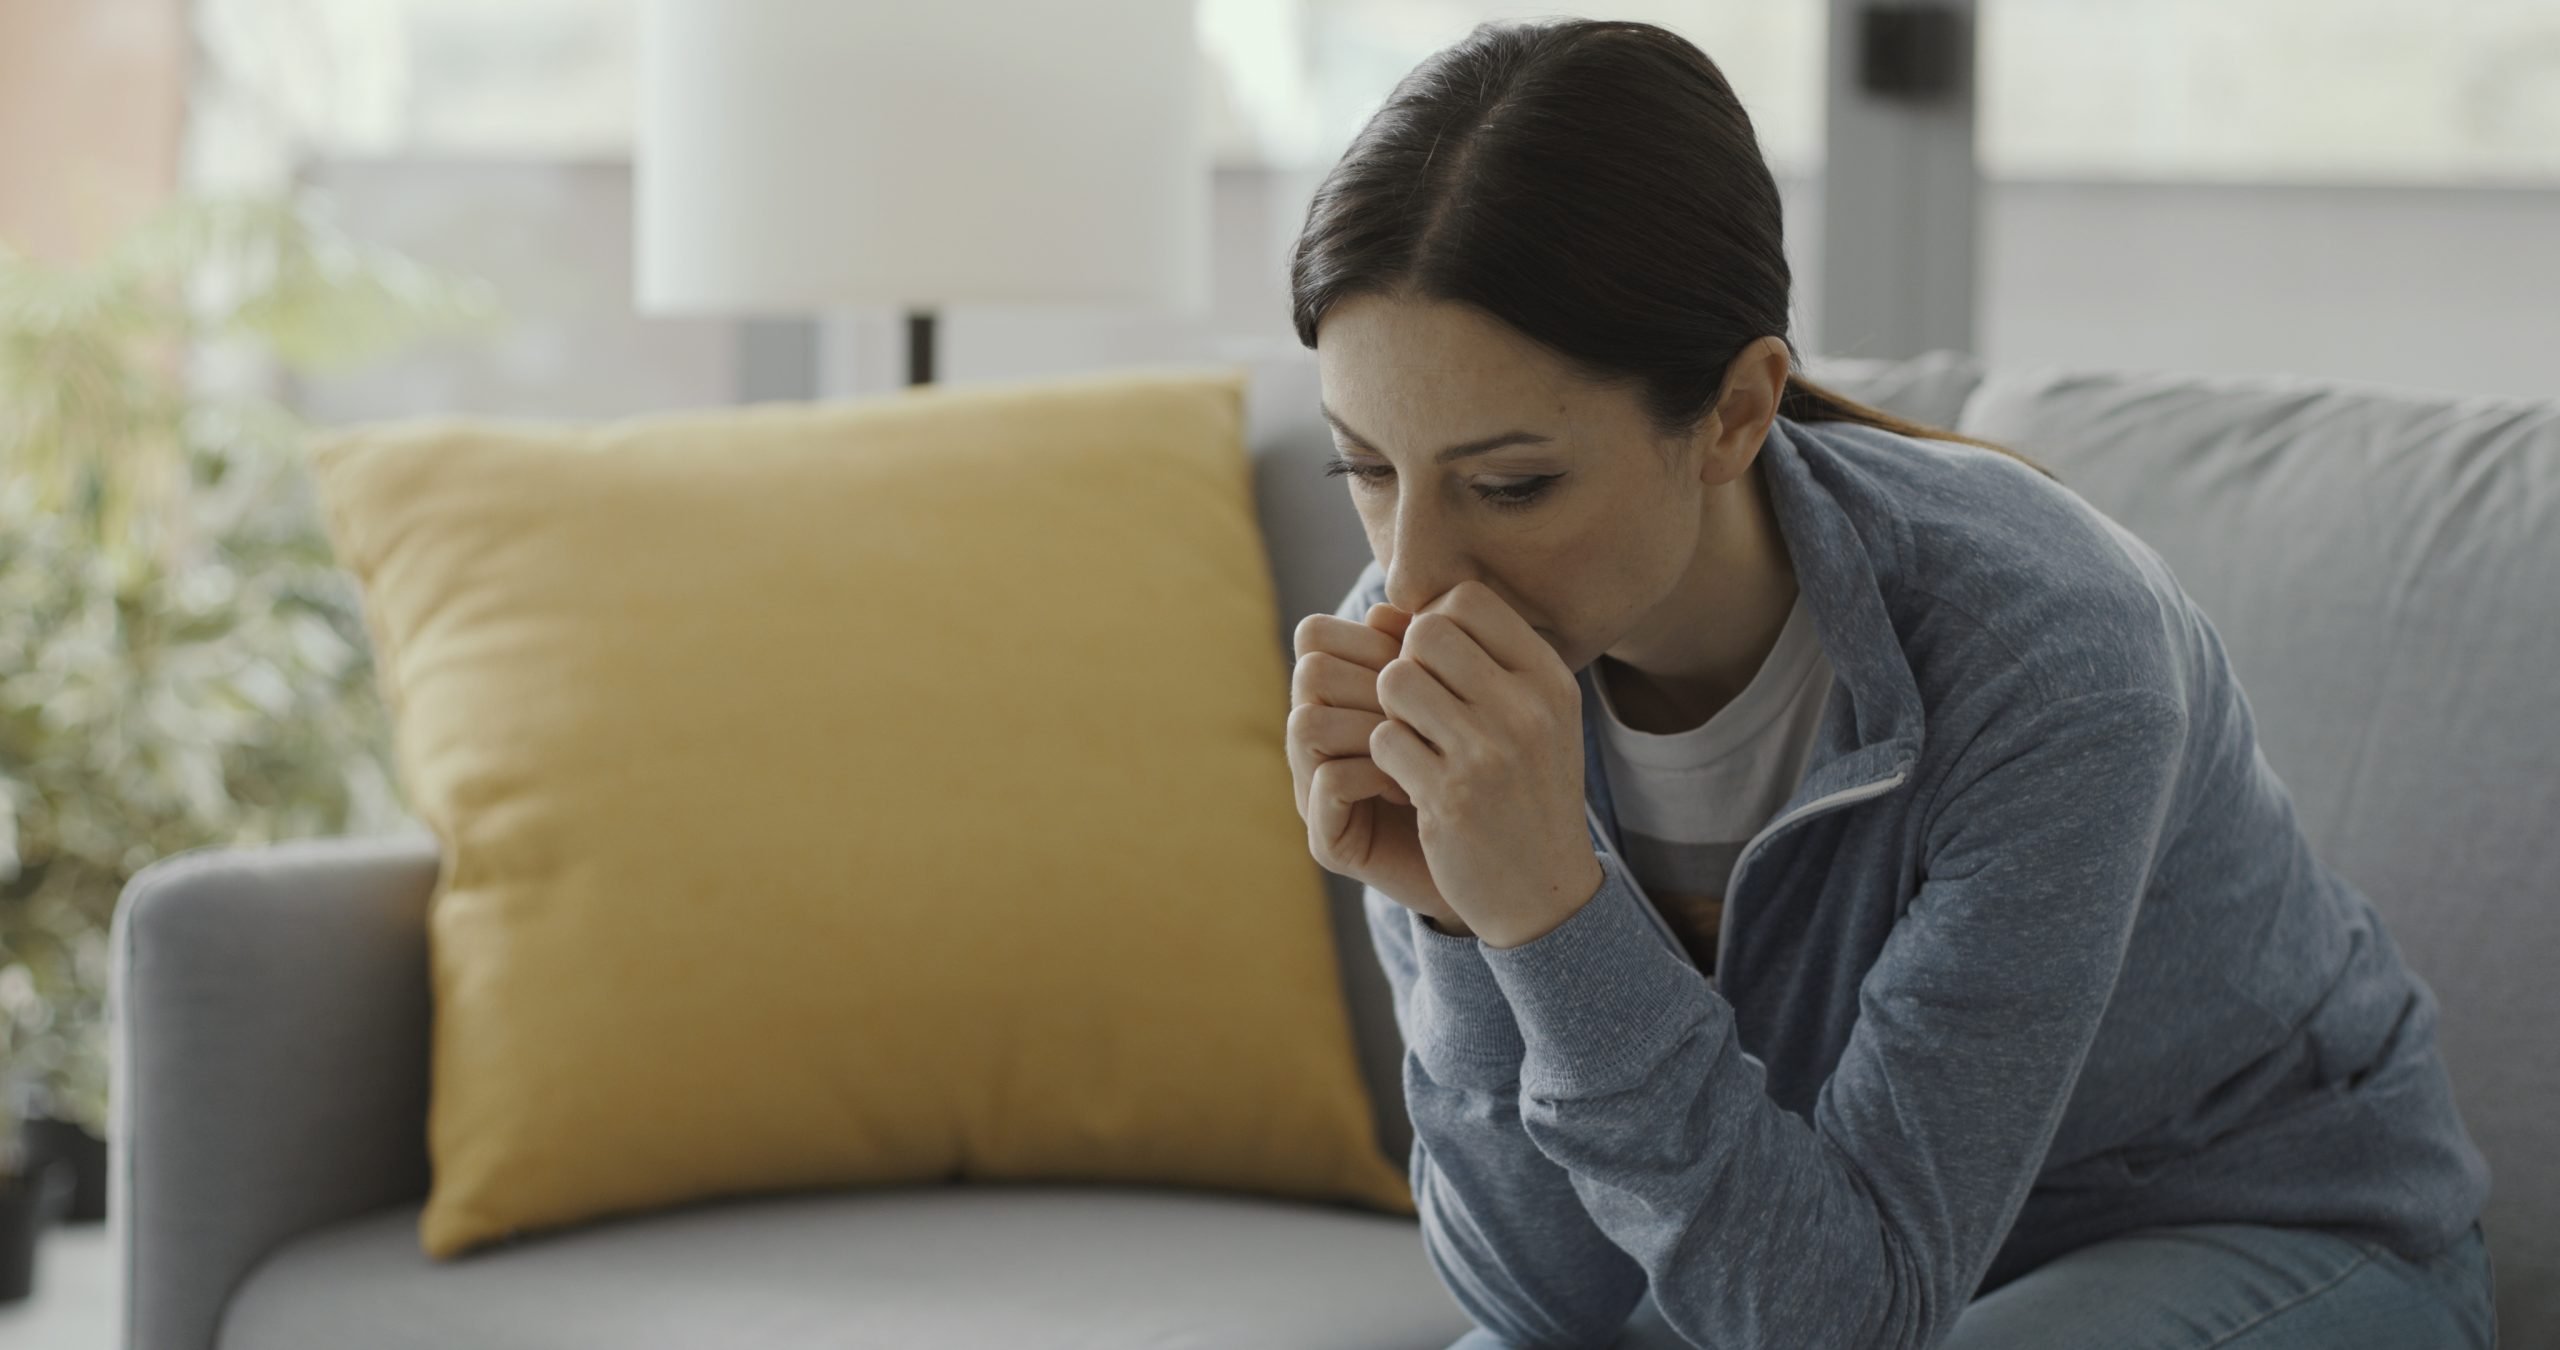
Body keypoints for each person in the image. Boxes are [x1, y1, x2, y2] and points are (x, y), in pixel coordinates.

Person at [1280, 17, 2495, 1350]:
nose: (1411, 582)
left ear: (1738, 411)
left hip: (2254, 1235)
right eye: (1368, 471)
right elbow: (1546, 1309)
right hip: (1804, 1264)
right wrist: (1466, 931)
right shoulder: (1434, 660)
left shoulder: (2053, 652)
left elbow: (1847, 1320)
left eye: (1511, 483)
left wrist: (1555, 918)